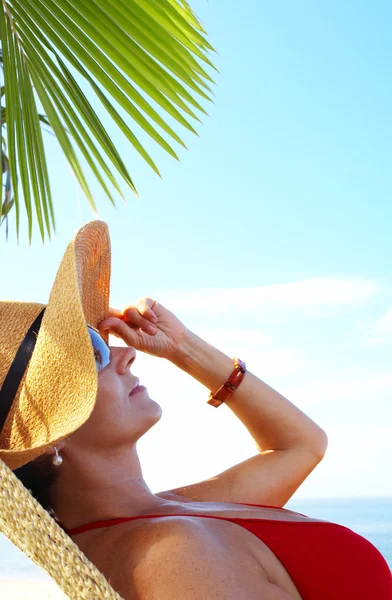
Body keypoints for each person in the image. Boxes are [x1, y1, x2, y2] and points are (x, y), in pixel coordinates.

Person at [1, 221, 390, 600]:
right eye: (95, 352)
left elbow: (302, 446)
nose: (127, 354)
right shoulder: (170, 554)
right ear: (51, 433)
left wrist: (182, 347)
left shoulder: (169, 514)